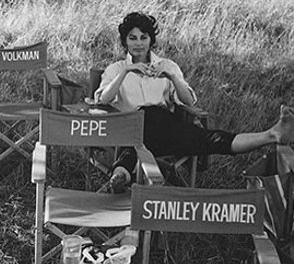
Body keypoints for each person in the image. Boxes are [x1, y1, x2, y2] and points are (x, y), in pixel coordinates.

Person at [94, 12, 294, 193]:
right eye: (132, 38)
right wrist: (126, 71)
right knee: (140, 130)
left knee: (211, 138)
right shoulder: (116, 69)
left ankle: (272, 134)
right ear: (125, 42)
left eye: (143, 37)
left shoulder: (168, 66)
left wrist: (172, 76)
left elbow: (188, 101)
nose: (138, 43)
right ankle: (121, 176)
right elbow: (103, 99)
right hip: (131, 130)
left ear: (151, 40)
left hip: (166, 131)